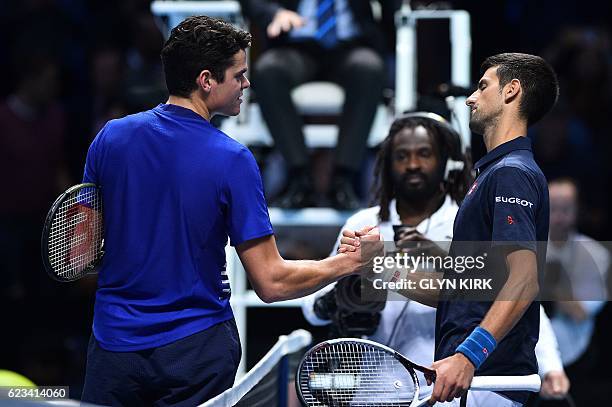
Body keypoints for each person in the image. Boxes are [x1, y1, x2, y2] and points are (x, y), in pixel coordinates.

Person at [80, 16, 379, 406]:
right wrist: (347, 264)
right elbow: (272, 283)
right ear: (207, 80)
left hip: (112, 347)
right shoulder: (232, 158)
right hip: (194, 351)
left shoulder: (110, 137)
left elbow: (79, 253)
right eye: (238, 75)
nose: (246, 84)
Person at [340, 53, 560, 406]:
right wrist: (381, 269)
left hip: (487, 382)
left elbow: (524, 280)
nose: (471, 97)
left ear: (511, 91)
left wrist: (469, 355)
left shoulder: (511, 174)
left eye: (483, 86)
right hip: (474, 383)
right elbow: (463, 288)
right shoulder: (495, 173)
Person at [239, 0, 399, 209]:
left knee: (369, 68)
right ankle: (299, 179)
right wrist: (274, 13)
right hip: (295, 46)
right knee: (269, 70)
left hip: (351, 45)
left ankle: (343, 180)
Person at [535, 177, 608, 406]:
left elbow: (581, 311)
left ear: (578, 211)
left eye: (565, 209)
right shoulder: (524, 250)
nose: (558, 217)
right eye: (552, 208)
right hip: (528, 357)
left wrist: (550, 281)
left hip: (575, 358)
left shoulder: (597, 255)